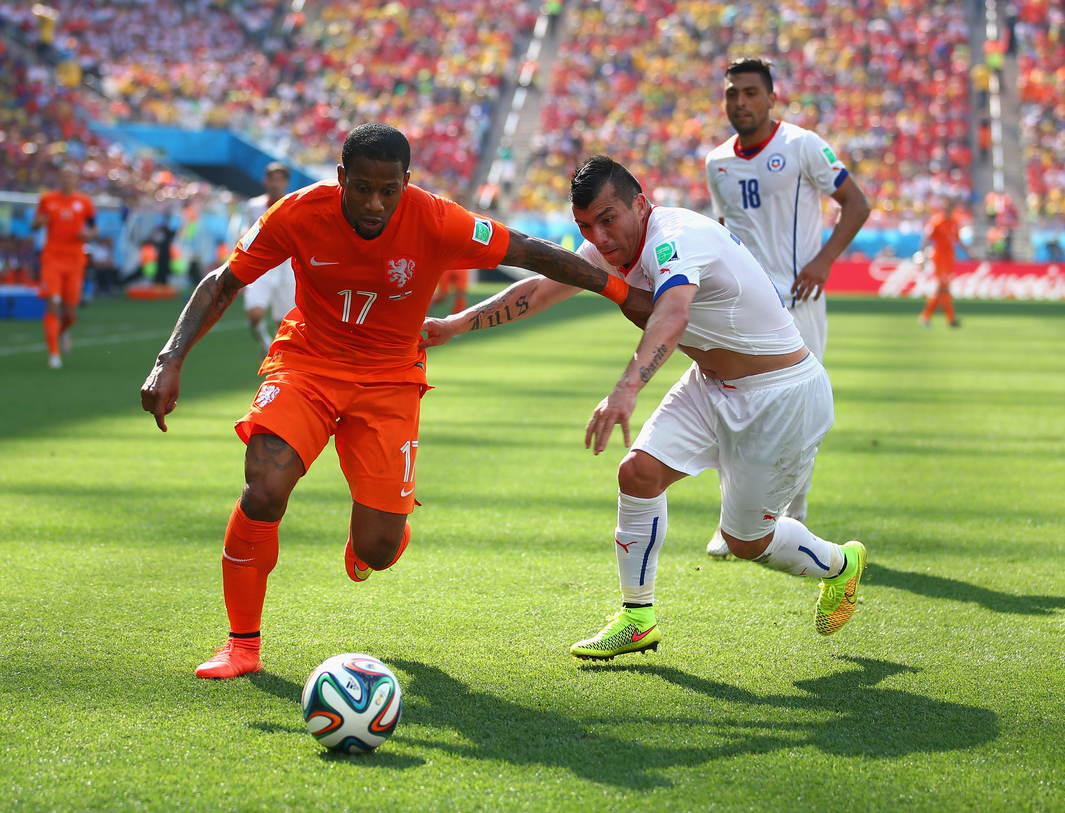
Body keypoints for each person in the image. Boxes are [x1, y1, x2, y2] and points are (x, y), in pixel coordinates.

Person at [140, 124, 651, 680]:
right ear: (341, 179)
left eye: (389, 190)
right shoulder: (296, 213)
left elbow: (529, 252)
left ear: (407, 183)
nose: (374, 204)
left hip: (389, 379)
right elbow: (222, 281)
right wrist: (170, 359)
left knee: (378, 550)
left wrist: (624, 293)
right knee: (263, 490)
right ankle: (242, 645)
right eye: (361, 188)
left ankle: (383, 530)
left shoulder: (437, 219)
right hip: (306, 363)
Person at [423, 156, 867, 661]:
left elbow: (673, 313)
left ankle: (840, 563)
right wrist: (455, 325)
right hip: (712, 383)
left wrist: (628, 387)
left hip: (779, 396)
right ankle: (637, 619)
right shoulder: (609, 246)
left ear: (640, 203)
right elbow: (543, 289)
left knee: (747, 541)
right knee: (637, 473)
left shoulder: (672, 237)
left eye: (608, 219)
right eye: (586, 226)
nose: (600, 237)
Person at [703, 57, 870, 550]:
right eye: (733, 93)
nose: (741, 102)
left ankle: (792, 518)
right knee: (732, 410)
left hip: (798, 301)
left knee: (796, 414)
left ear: (772, 98)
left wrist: (823, 262)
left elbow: (856, 204)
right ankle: (732, 521)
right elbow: (725, 233)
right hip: (739, 306)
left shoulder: (802, 145)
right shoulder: (718, 162)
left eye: (751, 92)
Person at [32, 166, 97, 369]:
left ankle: (61, 332)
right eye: (64, 176)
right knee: (52, 302)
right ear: (59, 179)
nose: (68, 179)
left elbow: (94, 228)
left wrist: (88, 235)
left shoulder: (84, 202)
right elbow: (34, 224)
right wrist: (39, 222)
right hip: (52, 258)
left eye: (71, 175)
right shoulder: (47, 200)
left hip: (75, 260)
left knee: (70, 313)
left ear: (77, 180)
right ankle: (53, 354)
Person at [229, 162, 296, 357]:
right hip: (263, 267)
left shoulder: (293, 203)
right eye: (272, 179)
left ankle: (277, 354)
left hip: (287, 268)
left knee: (282, 321)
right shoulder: (254, 205)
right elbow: (249, 235)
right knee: (254, 314)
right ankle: (266, 345)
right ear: (265, 181)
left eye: (280, 179)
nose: (275, 184)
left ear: (286, 182)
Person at [919, 199, 968, 328]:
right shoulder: (936, 221)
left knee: (943, 289)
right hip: (939, 259)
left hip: (949, 259)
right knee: (943, 288)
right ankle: (947, 319)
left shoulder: (954, 222)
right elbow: (926, 238)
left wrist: (968, 250)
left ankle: (928, 317)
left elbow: (957, 239)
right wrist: (923, 254)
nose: (949, 211)